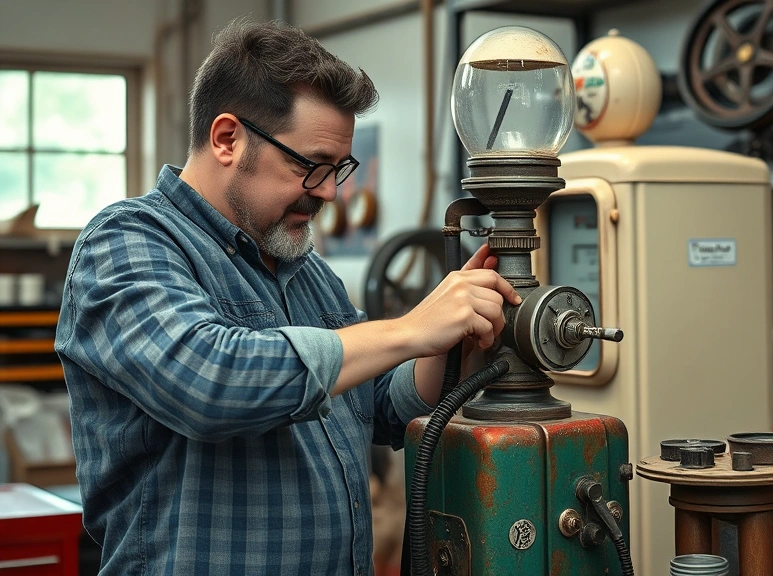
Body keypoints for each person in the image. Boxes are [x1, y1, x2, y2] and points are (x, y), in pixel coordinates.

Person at [54, 17, 519, 576]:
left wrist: (453, 338)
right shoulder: (127, 241)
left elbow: (377, 406)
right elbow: (209, 382)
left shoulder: (305, 269)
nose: (328, 191)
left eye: (338, 169)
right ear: (228, 139)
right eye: (310, 165)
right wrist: (411, 328)